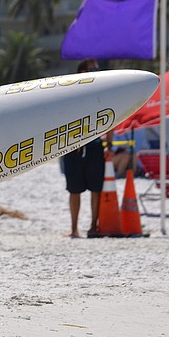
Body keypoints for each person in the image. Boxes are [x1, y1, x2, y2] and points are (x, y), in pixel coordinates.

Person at [62, 58, 114, 238]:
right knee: (74, 189)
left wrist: (109, 145)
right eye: (92, 69)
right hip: (73, 145)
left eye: (97, 69)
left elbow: (110, 120)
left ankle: (93, 226)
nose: (96, 72)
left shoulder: (102, 94)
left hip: (94, 144)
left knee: (96, 188)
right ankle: (74, 228)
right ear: (82, 73)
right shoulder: (71, 94)